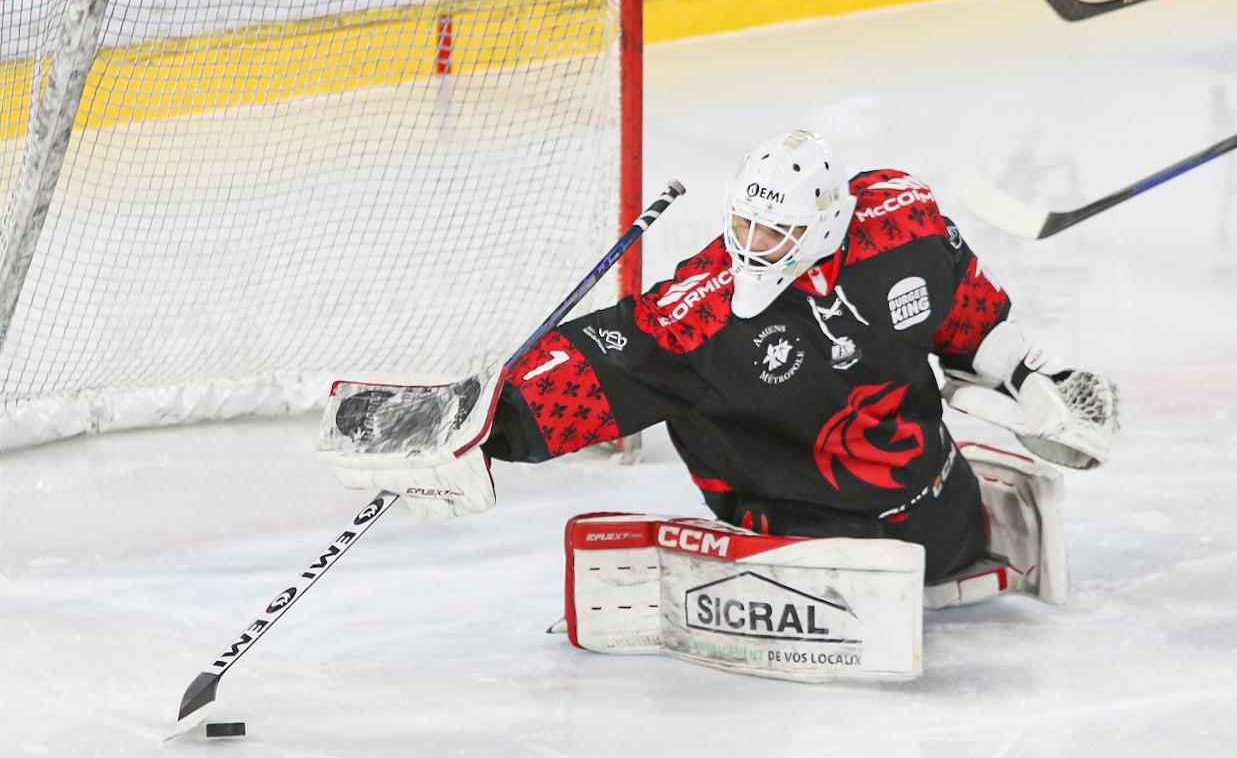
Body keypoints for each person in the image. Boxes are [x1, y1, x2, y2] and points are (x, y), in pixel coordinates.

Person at [333, 128, 1119, 605]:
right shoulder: (702, 313)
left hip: (943, 519)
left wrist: (1037, 379)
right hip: (796, 544)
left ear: (827, 223)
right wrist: (482, 424)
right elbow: (596, 372)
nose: (752, 245)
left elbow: (970, 318)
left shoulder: (902, 224)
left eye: (774, 232)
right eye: (742, 223)